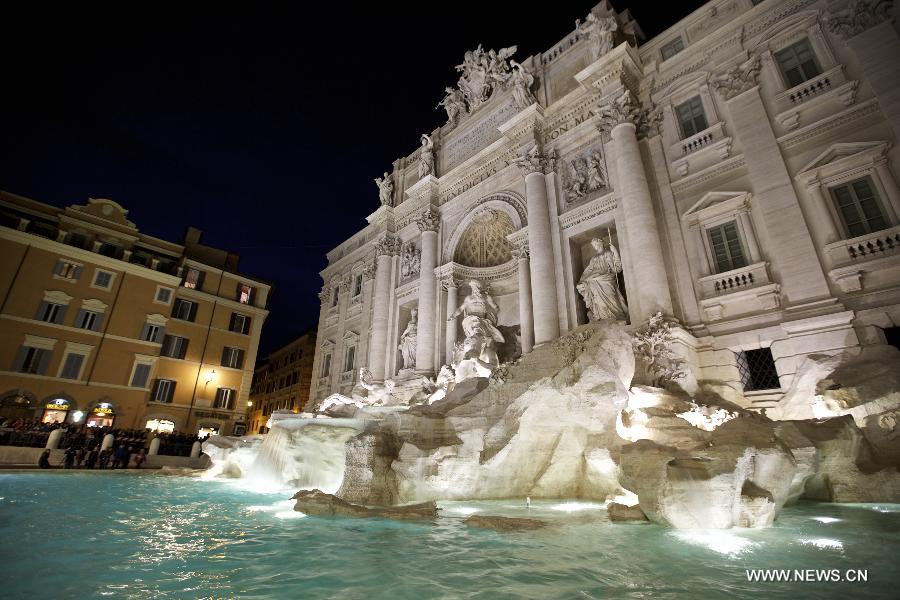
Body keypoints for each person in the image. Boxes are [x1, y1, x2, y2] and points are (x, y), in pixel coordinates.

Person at [576, 238, 628, 321]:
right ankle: (601, 316)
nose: (594, 246)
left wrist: (615, 252)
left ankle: (617, 317)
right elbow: (588, 271)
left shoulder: (607, 253)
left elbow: (616, 269)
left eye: (595, 244)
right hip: (594, 278)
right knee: (589, 283)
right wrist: (582, 281)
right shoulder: (593, 258)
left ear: (600, 243)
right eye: (593, 245)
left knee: (611, 297)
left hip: (607, 278)